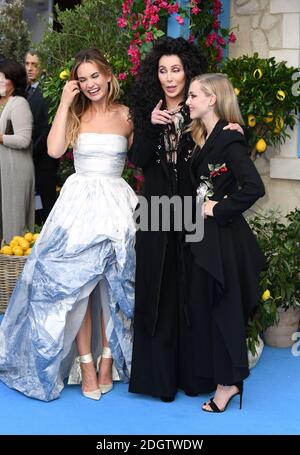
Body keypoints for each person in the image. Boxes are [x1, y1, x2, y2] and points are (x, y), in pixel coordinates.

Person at [0, 48, 137, 402]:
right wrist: (64, 102)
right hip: (78, 205)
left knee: (114, 286)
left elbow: (144, 159)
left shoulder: (127, 116)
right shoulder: (74, 114)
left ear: (108, 75)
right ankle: (87, 364)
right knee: (79, 288)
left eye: (95, 76)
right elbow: (55, 149)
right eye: (82, 78)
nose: (90, 84)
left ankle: (109, 360)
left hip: (117, 204)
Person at [128, 37, 243, 402]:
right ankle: (159, 380)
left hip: (194, 211)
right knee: (157, 288)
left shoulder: (200, 108)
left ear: (188, 71)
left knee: (192, 291)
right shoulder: (147, 107)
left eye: (175, 69)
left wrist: (238, 132)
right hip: (156, 208)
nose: (169, 77)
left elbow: (225, 150)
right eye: (162, 70)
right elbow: (139, 161)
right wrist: (150, 125)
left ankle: (195, 376)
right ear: (155, 75)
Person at [185, 73, 265, 412]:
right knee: (207, 309)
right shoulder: (207, 136)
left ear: (211, 99)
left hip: (224, 241)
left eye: (193, 96)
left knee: (225, 312)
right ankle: (221, 377)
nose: (187, 101)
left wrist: (218, 208)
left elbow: (254, 188)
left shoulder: (229, 140)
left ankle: (229, 385)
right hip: (205, 239)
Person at [0, 59, 34, 242]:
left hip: (15, 171)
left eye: (4, 78)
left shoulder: (19, 104)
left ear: (14, 81)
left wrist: (1, 138)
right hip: (3, 169)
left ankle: (13, 269)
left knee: (14, 225)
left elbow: (23, 140)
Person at [25, 50, 58, 225]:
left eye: (34, 64)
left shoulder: (49, 91)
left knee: (45, 208)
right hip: (27, 159)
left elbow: (48, 128)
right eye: (27, 64)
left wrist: (30, 152)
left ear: (42, 67)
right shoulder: (24, 89)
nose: (30, 68)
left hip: (44, 160)